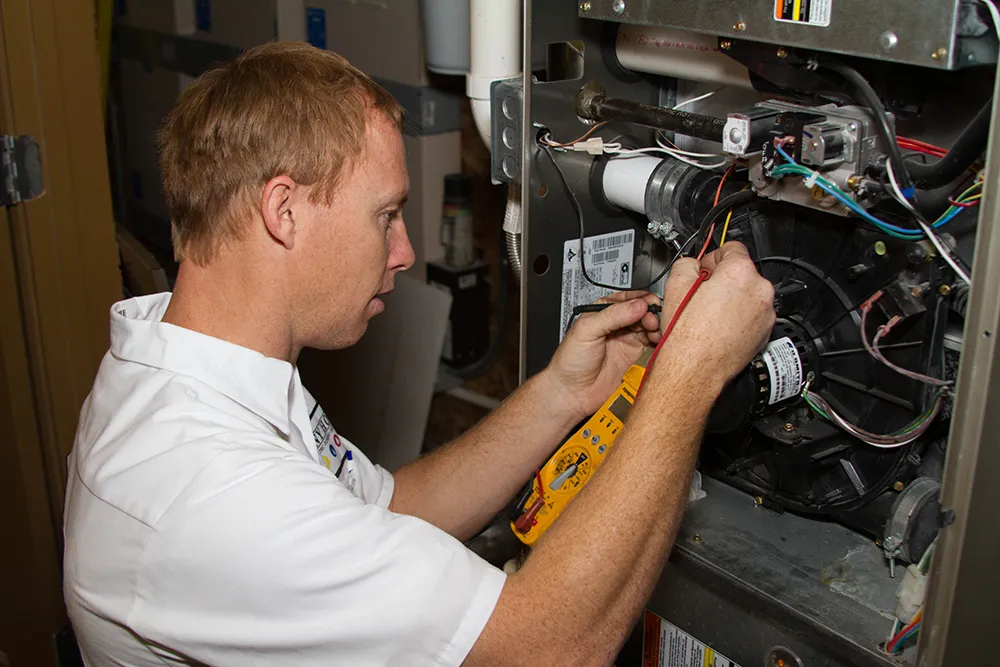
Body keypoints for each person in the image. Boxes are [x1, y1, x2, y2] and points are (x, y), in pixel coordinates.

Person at [63, 42, 775, 666]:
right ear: (283, 212)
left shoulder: (195, 360)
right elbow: (549, 647)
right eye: (385, 215)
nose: (404, 253)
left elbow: (395, 508)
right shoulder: (210, 491)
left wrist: (562, 393)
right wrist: (691, 371)